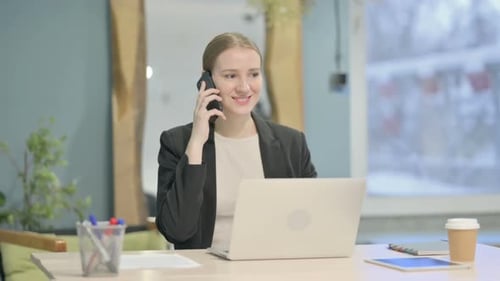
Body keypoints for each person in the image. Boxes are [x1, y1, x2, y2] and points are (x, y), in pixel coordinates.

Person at [155, 32, 317, 249]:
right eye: (231, 76)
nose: (244, 87)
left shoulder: (292, 143)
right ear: (207, 81)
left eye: (253, 74)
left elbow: (312, 221)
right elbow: (177, 230)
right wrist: (196, 145)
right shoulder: (177, 142)